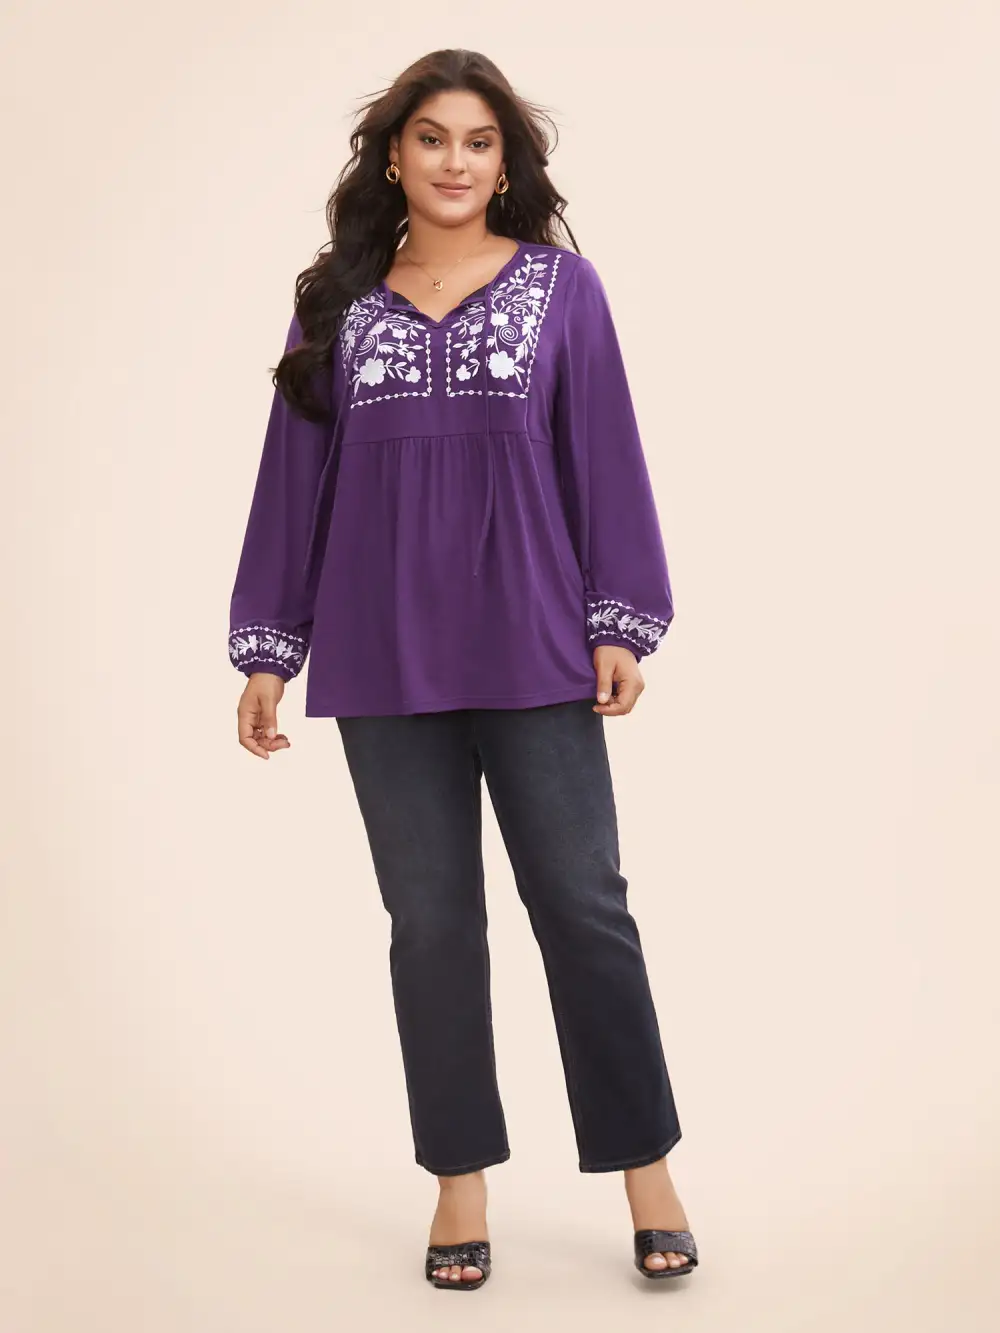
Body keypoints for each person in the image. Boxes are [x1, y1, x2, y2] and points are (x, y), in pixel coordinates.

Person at [227, 48, 699, 1289]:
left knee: (584, 908)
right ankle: (458, 1184)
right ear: (392, 155)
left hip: (535, 642)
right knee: (431, 926)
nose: (454, 160)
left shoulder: (561, 289)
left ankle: (647, 1170)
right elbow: (292, 482)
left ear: (505, 162)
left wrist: (616, 619)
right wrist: (270, 644)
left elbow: (603, 451)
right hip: (379, 654)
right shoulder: (338, 302)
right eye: (431, 137)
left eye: (478, 142)